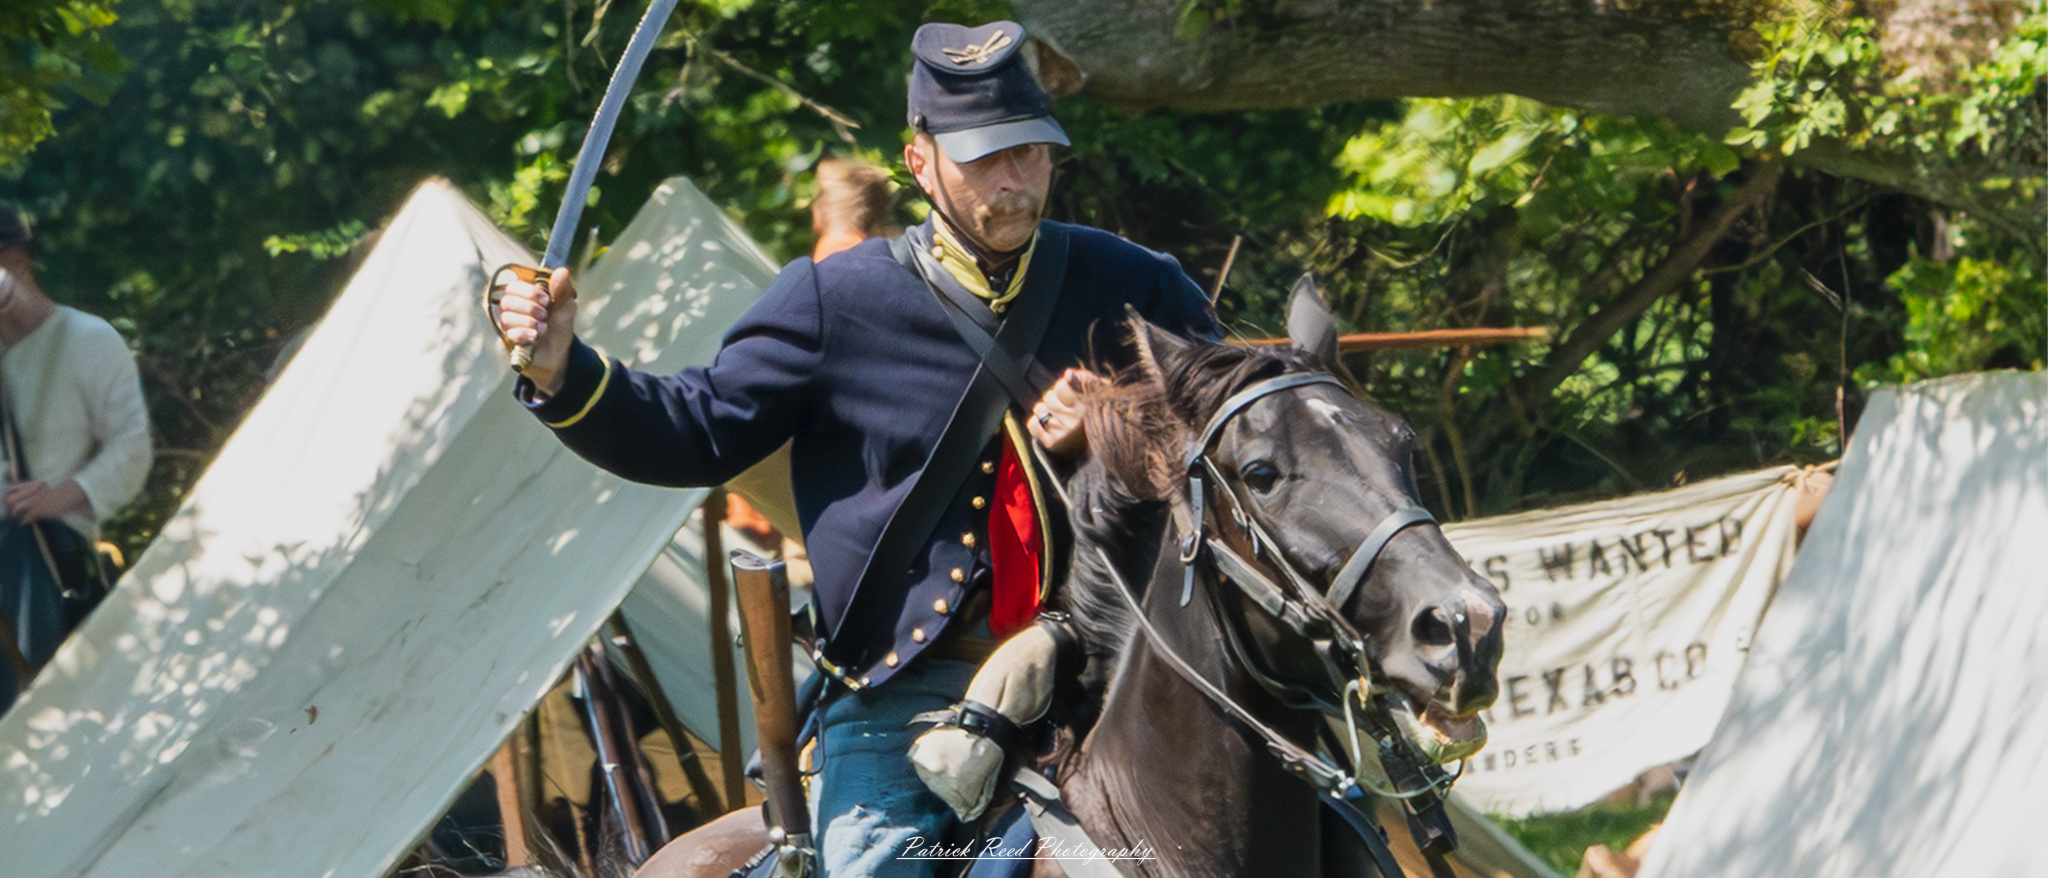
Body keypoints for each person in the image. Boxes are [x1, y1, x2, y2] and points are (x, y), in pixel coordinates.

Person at [494, 20, 1218, 876]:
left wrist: (1120, 416)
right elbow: (691, 429)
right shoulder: (831, 301)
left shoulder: (1139, 286)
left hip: (1112, 672)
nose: (1016, 179)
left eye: (1030, 151)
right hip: (906, 696)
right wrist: (562, 373)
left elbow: (1232, 450)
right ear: (920, 163)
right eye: (985, 157)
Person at [0, 200, 152, 713]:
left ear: (17, 261)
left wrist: (60, 496)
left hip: (48, 547)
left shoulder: (87, 338)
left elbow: (131, 447)